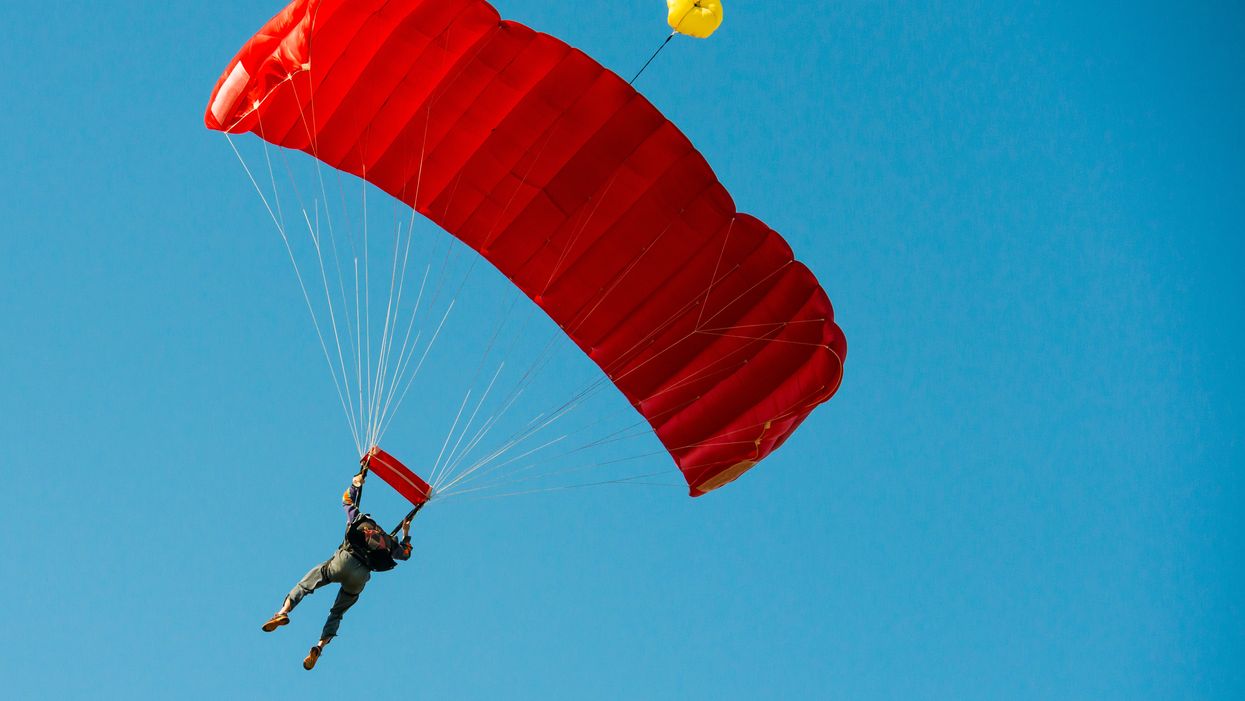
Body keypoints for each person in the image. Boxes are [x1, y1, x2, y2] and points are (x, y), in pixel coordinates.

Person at [261, 469, 414, 670]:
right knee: (337, 613)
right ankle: (319, 646)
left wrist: (356, 483)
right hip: (359, 578)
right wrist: (405, 533)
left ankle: (282, 613)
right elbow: (405, 554)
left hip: (343, 561)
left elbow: (347, 500)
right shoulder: (389, 543)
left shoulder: (359, 519)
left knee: (306, 585)